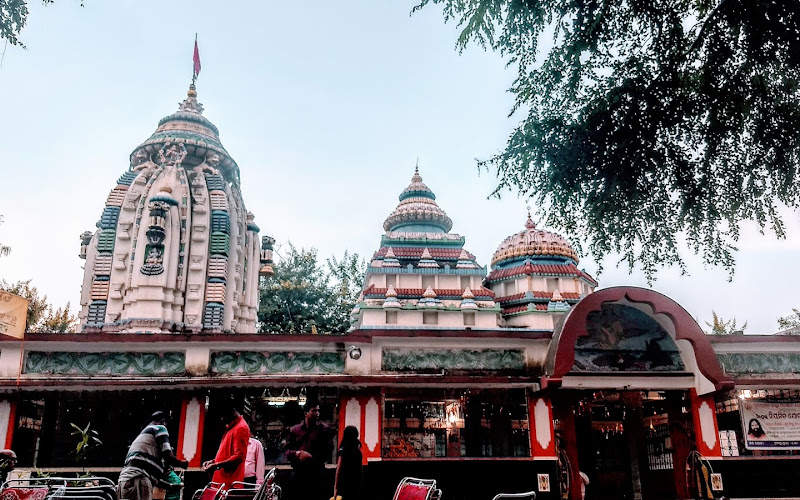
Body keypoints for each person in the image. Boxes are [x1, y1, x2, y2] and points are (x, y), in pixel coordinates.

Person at [118, 412, 189, 500]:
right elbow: (168, 455)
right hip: (138, 479)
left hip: (124, 481)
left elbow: (156, 479)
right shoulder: (159, 428)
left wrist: (171, 486)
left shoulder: (144, 438)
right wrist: (182, 463)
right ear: (163, 421)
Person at [284, 402, 334, 500]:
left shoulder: (324, 429)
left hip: (316, 473)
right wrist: (296, 454)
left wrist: (312, 457)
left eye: (318, 410)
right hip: (299, 472)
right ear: (306, 413)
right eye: (314, 411)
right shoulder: (295, 430)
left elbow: (328, 451)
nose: (317, 413)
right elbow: (286, 450)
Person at [202, 402, 250, 490]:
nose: (222, 419)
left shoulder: (240, 428)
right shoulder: (233, 427)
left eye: (223, 416)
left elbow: (239, 457)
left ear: (232, 412)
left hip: (228, 483)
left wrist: (216, 465)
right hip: (222, 482)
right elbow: (228, 453)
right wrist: (213, 461)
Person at [333, 426, 362, 500]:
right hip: (356, 484)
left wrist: (335, 488)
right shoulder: (358, 452)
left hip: (344, 484)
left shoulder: (343, 450)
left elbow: (338, 469)